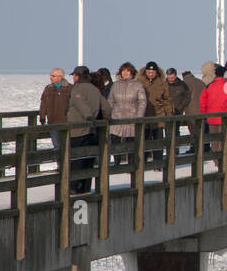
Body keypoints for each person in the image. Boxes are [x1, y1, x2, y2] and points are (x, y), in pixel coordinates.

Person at [66, 66, 110, 194]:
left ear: (78, 76)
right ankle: (85, 187)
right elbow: (106, 107)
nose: (73, 78)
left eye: (74, 75)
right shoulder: (94, 89)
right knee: (88, 159)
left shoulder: (77, 88)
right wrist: (106, 119)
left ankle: (73, 187)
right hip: (92, 130)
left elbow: (80, 103)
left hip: (78, 129)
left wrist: (88, 116)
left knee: (76, 159)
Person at [108, 62, 148, 172]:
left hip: (132, 117)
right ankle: (116, 164)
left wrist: (139, 117)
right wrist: (108, 114)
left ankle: (131, 165)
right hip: (117, 117)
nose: (125, 73)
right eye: (123, 71)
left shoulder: (137, 85)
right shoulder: (115, 85)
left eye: (128, 71)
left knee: (132, 143)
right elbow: (110, 100)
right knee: (115, 142)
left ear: (132, 72)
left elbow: (142, 101)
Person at [199, 62, 227, 168]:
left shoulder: (209, 86)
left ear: (216, 74)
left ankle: (216, 160)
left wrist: (204, 114)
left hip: (212, 118)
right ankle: (222, 160)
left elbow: (202, 101)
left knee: (214, 140)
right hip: (225, 118)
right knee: (224, 140)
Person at [140, 61, 173, 164]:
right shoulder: (139, 82)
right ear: (145, 71)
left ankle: (157, 163)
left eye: (153, 72)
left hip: (158, 117)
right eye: (149, 72)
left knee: (158, 142)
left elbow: (167, 100)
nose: (150, 74)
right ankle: (142, 163)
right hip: (143, 117)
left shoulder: (162, 83)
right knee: (143, 142)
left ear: (156, 72)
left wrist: (170, 115)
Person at [39, 67, 71, 162]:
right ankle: (60, 165)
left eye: (53, 76)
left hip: (65, 122)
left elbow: (73, 104)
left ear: (59, 77)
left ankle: (67, 166)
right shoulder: (48, 88)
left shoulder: (69, 88)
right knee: (56, 146)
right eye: (50, 75)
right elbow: (43, 103)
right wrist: (42, 116)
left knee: (66, 145)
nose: (50, 77)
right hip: (52, 122)